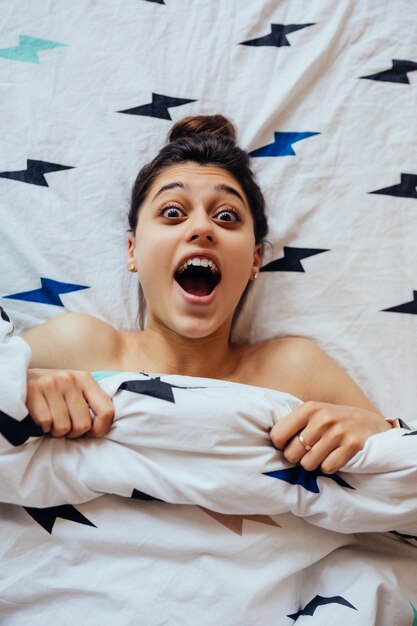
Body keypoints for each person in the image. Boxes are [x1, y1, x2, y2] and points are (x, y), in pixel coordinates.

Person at [22, 114, 394, 475]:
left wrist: (378, 433)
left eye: (227, 216)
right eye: (172, 212)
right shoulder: (78, 345)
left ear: (254, 258)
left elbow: (402, 473)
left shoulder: (298, 367)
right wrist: (20, 386)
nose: (201, 227)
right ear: (133, 251)